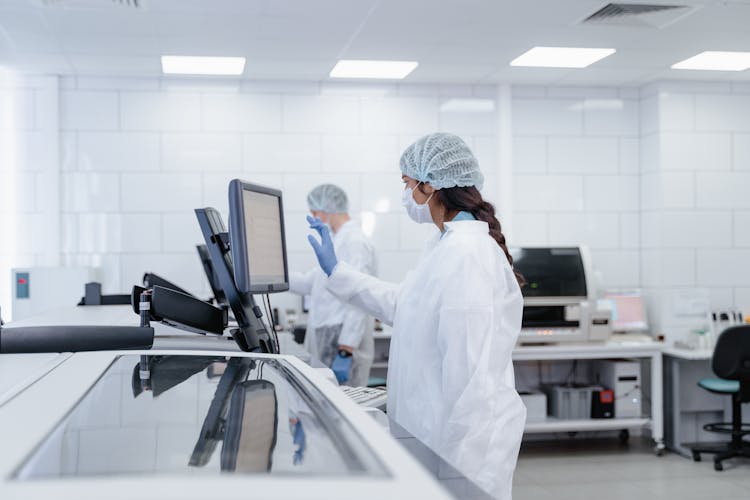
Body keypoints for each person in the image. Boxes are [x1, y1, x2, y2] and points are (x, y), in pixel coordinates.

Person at [305, 133, 526, 500]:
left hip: (464, 455)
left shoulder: (467, 255)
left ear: (431, 185)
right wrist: (337, 273)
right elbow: (406, 305)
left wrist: (461, 476)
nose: (405, 194)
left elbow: (472, 384)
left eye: (407, 184)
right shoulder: (445, 246)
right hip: (432, 439)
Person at [289, 184, 376, 387]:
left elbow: (359, 296)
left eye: (315, 211)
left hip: (343, 345)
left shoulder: (354, 241)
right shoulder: (337, 241)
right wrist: (274, 274)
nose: (313, 216)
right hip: (330, 339)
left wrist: (346, 350)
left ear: (329, 208)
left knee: (346, 410)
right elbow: (309, 283)